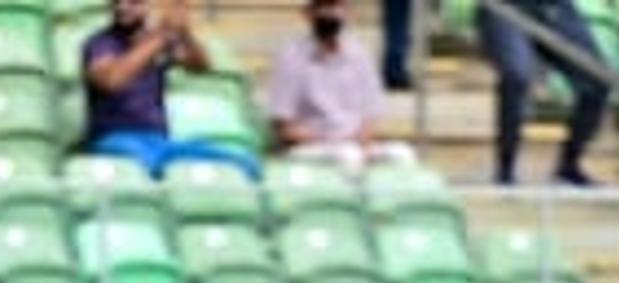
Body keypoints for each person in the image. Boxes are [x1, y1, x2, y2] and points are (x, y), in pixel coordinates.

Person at [83, 0, 261, 179]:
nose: (123, 7)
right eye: (117, 2)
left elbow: (200, 66)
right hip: (114, 138)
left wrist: (184, 33)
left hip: (159, 140)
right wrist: (159, 38)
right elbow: (111, 80)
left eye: (133, 2)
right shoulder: (101, 43)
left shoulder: (156, 41)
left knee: (242, 162)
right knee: (146, 171)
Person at [266, 0, 417, 176]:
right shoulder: (292, 58)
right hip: (311, 147)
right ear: (308, 14)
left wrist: (361, 142)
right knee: (348, 155)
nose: (329, 14)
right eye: (323, 8)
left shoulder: (359, 55)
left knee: (403, 154)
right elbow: (283, 126)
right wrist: (328, 141)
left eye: (335, 7)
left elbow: (370, 116)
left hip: (355, 144)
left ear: (346, 11)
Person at [478, 0, 612, 186]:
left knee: (598, 79)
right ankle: (505, 169)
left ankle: (569, 166)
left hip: (556, 6)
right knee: (516, 76)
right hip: (503, 6)